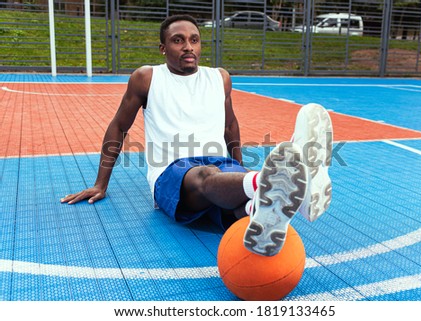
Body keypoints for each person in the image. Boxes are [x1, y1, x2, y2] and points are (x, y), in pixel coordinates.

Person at [60, 14, 333, 257]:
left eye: (194, 40)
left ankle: (260, 201)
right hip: (172, 172)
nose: (188, 46)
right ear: (163, 48)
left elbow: (230, 127)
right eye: (178, 40)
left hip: (222, 168)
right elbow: (119, 127)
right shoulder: (147, 78)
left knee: (241, 213)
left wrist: (238, 166)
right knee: (204, 176)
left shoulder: (219, 77)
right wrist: (100, 184)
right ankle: (277, 182)